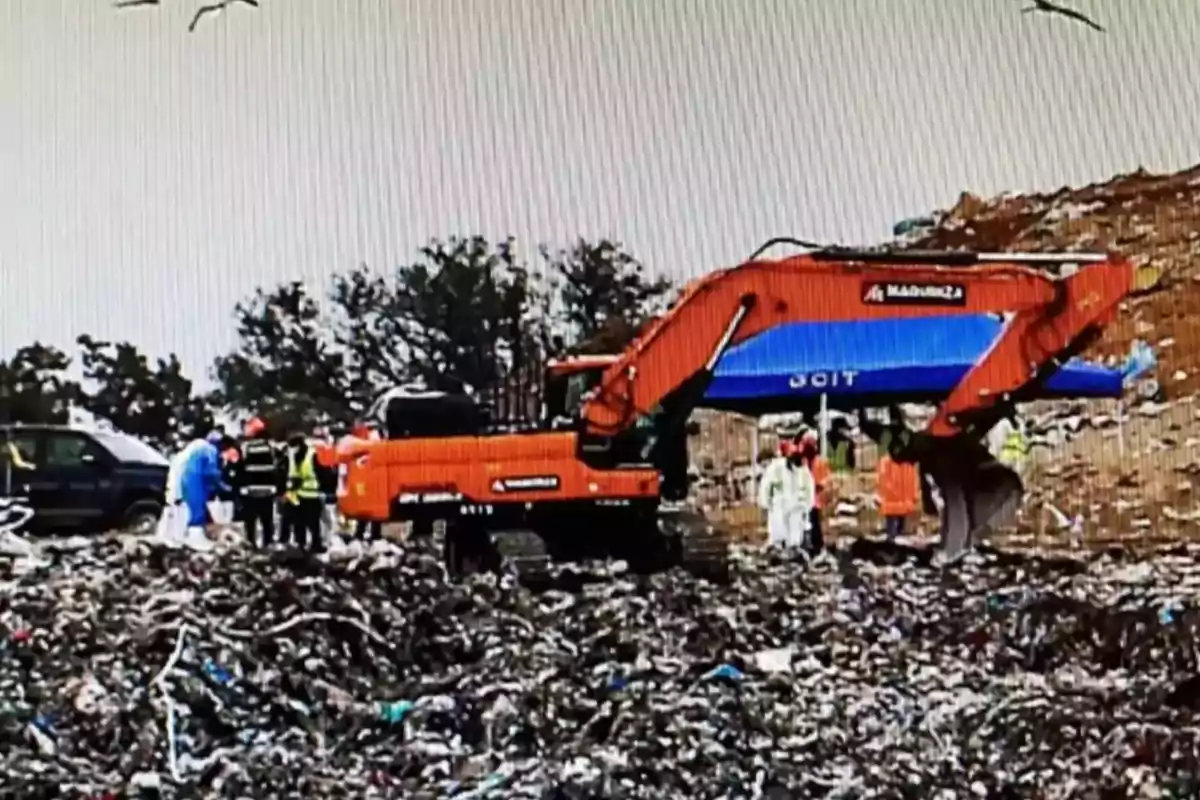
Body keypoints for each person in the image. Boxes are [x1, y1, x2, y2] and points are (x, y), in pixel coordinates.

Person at [175, 431, 230, 552]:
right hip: (196, 481)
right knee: (197, 512)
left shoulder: (198, 449)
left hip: (187, 480)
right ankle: (196, 542)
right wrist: (223, 486)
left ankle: (185, 538)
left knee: (194, 510)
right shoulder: (211, 450)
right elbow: (211, 472)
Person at [236, 416, 285, 548]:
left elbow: (240, 468)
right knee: (267, 520)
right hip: (268, 490)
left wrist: (241, 487)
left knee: (250, 521)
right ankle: (267, 544)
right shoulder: (271, 447)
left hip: (251, 491)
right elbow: (279, 467)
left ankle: (251, 544)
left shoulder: (245, 447)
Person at [757, 440, 813, 549]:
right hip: (779, 507)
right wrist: (767, 504)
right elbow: (765, 488)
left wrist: (807, 506)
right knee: (778, 535)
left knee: (795, 538)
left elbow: (809, 489)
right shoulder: (774, 468)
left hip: (796, 507)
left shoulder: (803, 471)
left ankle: (794, 552)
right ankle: (779, 552)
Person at [338, 420, 383, 542]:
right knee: (366, 508)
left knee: (371, 508)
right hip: (365, 481)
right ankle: (367, 533)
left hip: (369, 480)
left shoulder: (370, 441)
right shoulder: (362, 442)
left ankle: (370, 533)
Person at [280, 432, 325, 552]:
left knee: (313, 524)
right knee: (298, 523)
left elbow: (321, 473)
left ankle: (315, 545)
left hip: (310, 494)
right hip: (296, 495)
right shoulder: (291, 456)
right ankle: (301, 545)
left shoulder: (312, 455)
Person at [794, 430, 830, 555]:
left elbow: (823, 481)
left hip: (814, 500)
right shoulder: (802, 462)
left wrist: (813, 486)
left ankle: (817, 546)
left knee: (814, 523)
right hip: (803, 499)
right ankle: (805, 545)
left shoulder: (820, 462)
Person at [875, 451, 921, 540]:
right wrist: (914, 496)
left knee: (894, 532)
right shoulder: (907, 462)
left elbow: (881, 481)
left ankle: (892, 543)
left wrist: (881, 496)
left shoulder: (885, 462)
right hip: (901, 503)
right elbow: (914, 479)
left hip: (892, 504)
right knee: (899, 532)